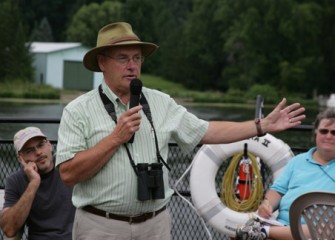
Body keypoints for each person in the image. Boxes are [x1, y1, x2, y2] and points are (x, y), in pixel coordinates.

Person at [55, 22, 305, 240]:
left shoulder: (161, 102)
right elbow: (67, 174)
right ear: (102, 63)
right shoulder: (78, 111)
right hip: (101, 227)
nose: (132, 66)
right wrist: (114, 139)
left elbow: (207, 131)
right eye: (122, 58)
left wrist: (261, 126)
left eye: (137, 58)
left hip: (155, 226)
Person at [235, 108, 335, 240]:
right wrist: (267, 204)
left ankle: (265, 231)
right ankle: (267, 231)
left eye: (334, 132)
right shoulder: (297, 161)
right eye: (324, 131)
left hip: (323, 231)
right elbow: (277, 190)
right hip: (283, 223)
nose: (328, 136)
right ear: (316, 132)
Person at [0, 127, 75, 239]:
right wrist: (34, 183)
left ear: (49, 145)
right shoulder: (15, 180)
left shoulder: (68, 166)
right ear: (21, 159)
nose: (38, 152)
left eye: (41, 145)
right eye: (29, 151)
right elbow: (9, 229)